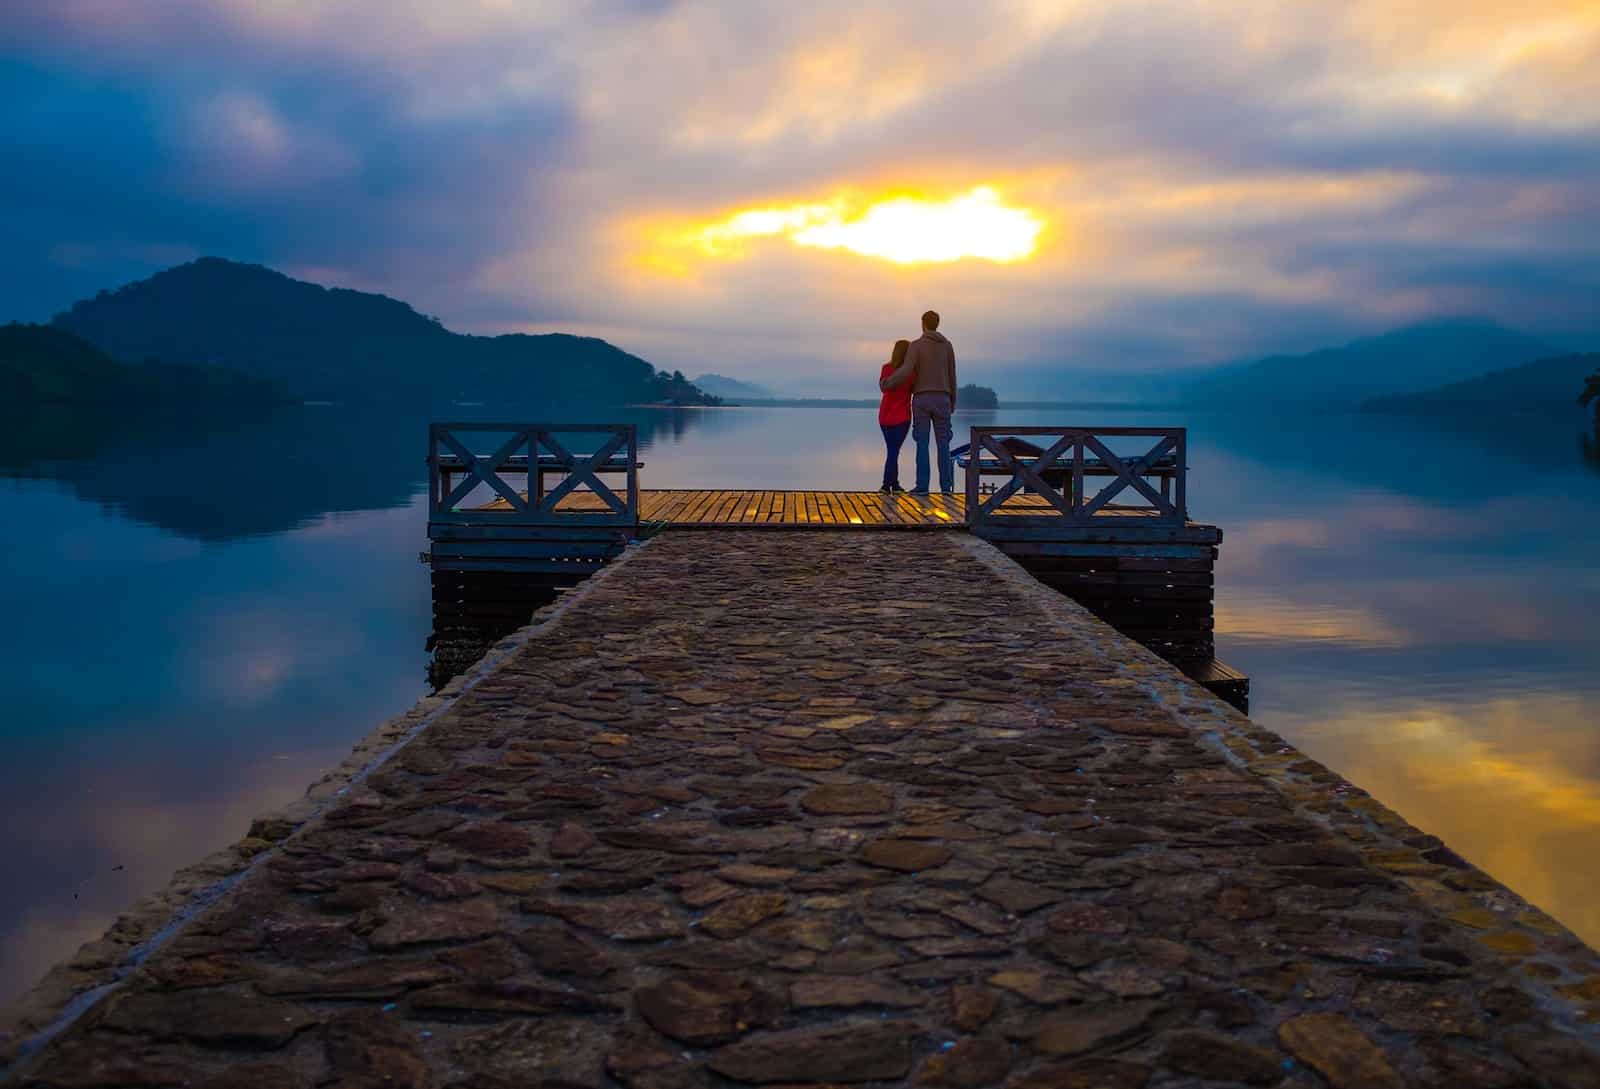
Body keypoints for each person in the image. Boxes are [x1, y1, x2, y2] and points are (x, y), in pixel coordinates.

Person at [881, 310, 957, 494]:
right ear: (937, 324)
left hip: (922, 399)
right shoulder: (947, 346)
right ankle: (946, 487)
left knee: (922, 443)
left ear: (923, 323)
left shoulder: (916, 346)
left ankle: (922, 486)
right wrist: (952, 400)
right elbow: (952, 375)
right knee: (943, 443)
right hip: (943, 398)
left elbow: (906, 370)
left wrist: (888, 383)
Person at [876, 339, 912, 492]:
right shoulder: (910, 371)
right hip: (901, 417)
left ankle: (893, 484)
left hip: (885, 416)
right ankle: (886, 485)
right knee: (893, 450)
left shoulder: (886, 368)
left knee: (892, 450)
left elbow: (883, 388)